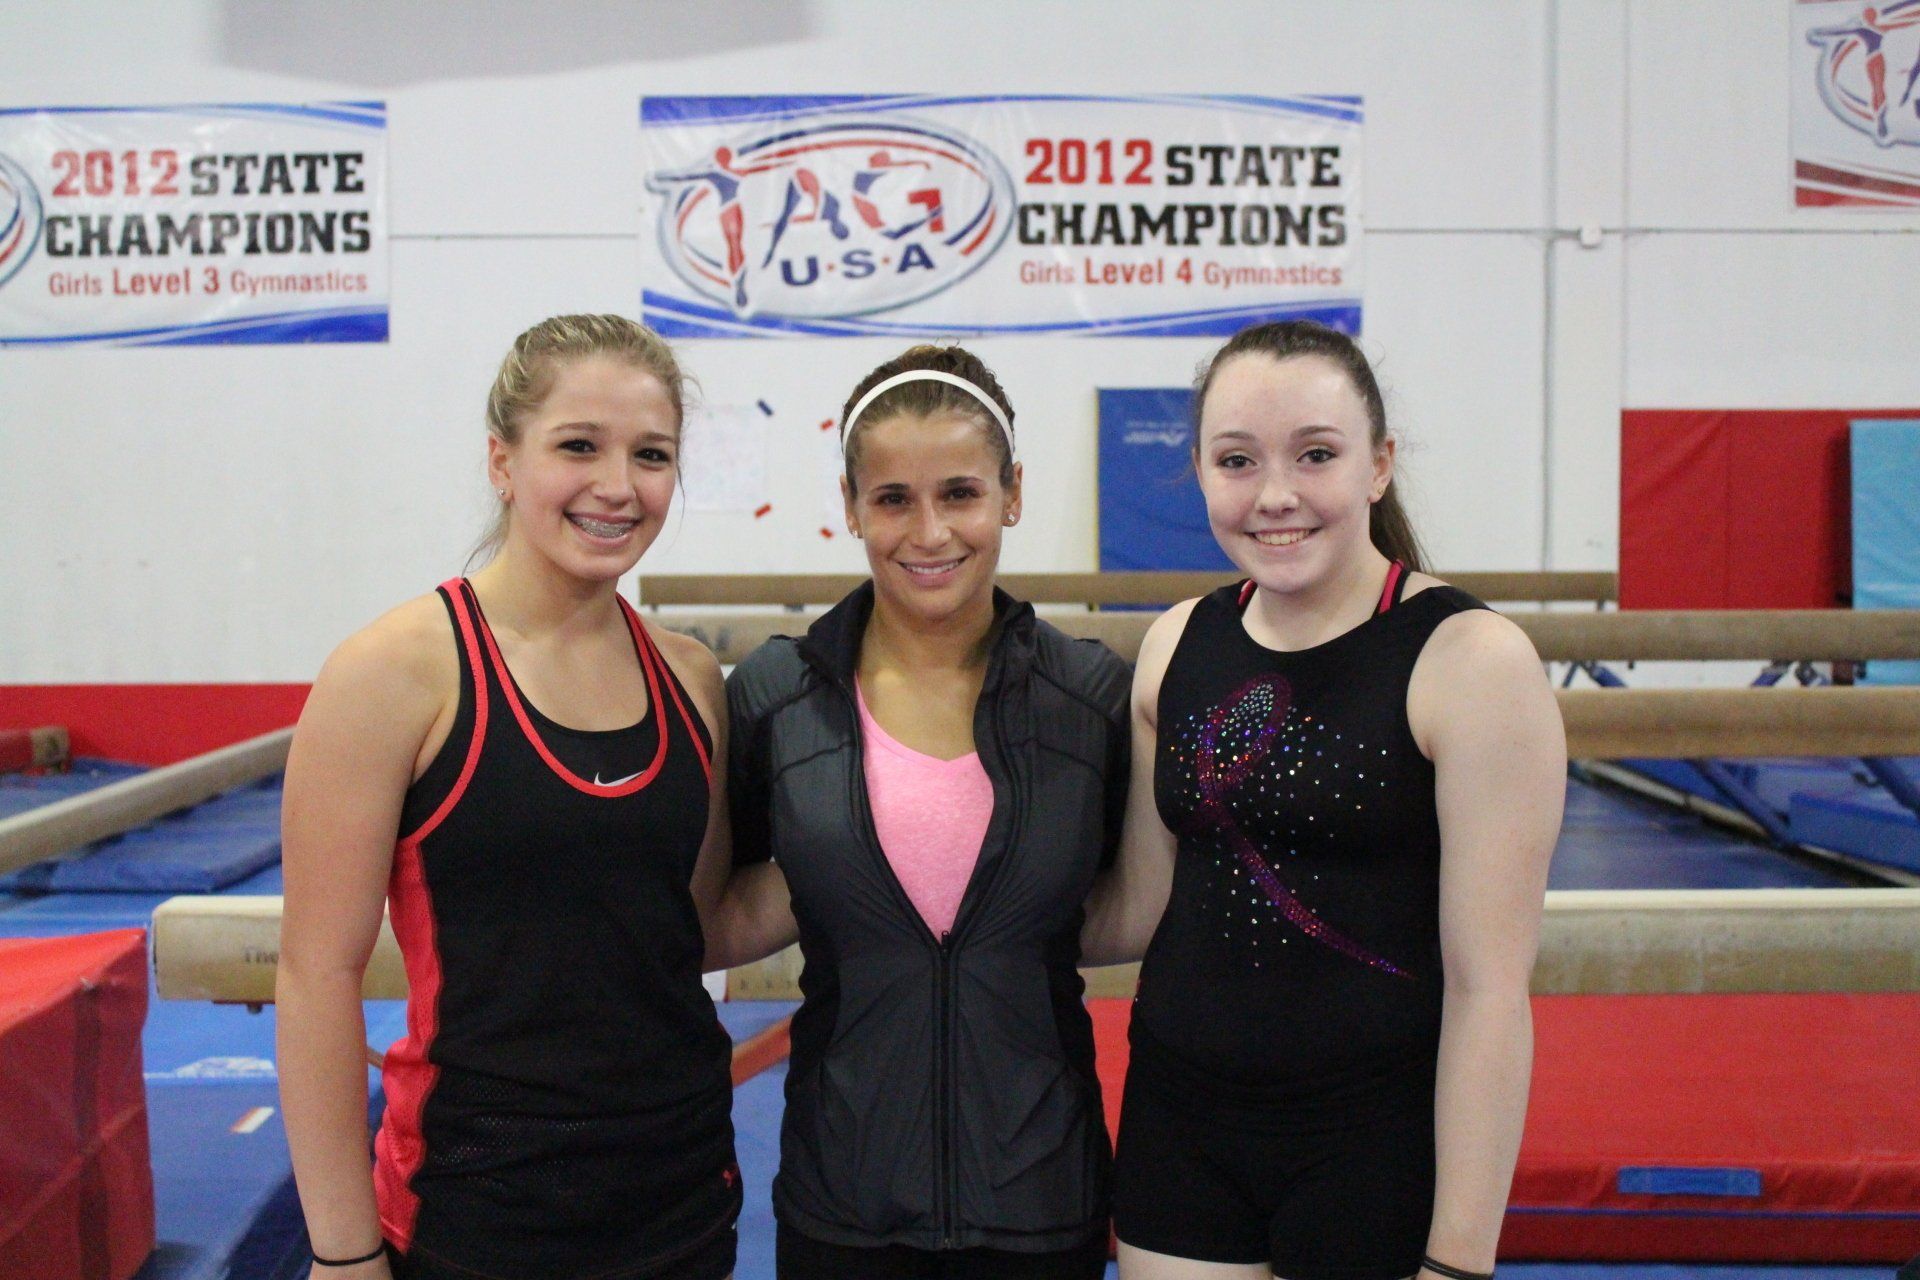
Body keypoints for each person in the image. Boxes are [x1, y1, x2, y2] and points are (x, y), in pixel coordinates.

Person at [277, 315, 740, 1280]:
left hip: (680, 1198)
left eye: (651, 455)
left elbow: (687, 928)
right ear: (502, 460)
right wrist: (341, 1250)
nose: (618, 485)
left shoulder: (692, 678)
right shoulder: (396, 674)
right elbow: (316, 973)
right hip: (477, 1211)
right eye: (579, 446)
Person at [1108, 320, 1565, 1280]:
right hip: (1181, 1128)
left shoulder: (1468, 661)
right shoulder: (1176, 646)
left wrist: (1459, 1260)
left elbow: (1489, 991)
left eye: (1315, 454)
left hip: (1372, 1144)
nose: (1276, 495)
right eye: (1237, 460)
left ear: (1379, 464)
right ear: (1197, 470)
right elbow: (1138, 909)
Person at [709, 345, 1129, 1280]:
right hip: (845, 1198)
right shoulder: (778, 697)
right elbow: (700, 909)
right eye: (893, 498)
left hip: (1040, 1196)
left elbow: (1124, 905)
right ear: (852, 505)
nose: (929, 531)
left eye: (962, 493)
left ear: (1012, 494)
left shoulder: (1091, 699)